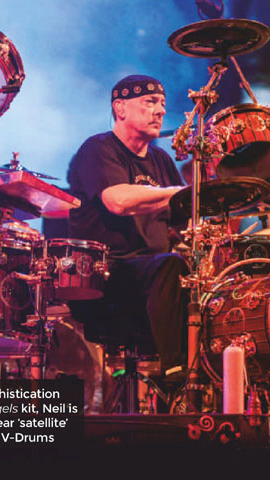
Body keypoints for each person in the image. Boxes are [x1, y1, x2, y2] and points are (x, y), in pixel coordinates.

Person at [67, 74, 188, 382]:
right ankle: (178, 374)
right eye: (150, 102)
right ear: (120, 108)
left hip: (154, 278)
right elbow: (118, 201)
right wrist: (178, 193)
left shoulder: (162, 160)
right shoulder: (98, 149)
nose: (160, 110)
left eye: (162, 104)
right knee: (170, 266)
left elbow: (185, 217)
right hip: (107, 279)